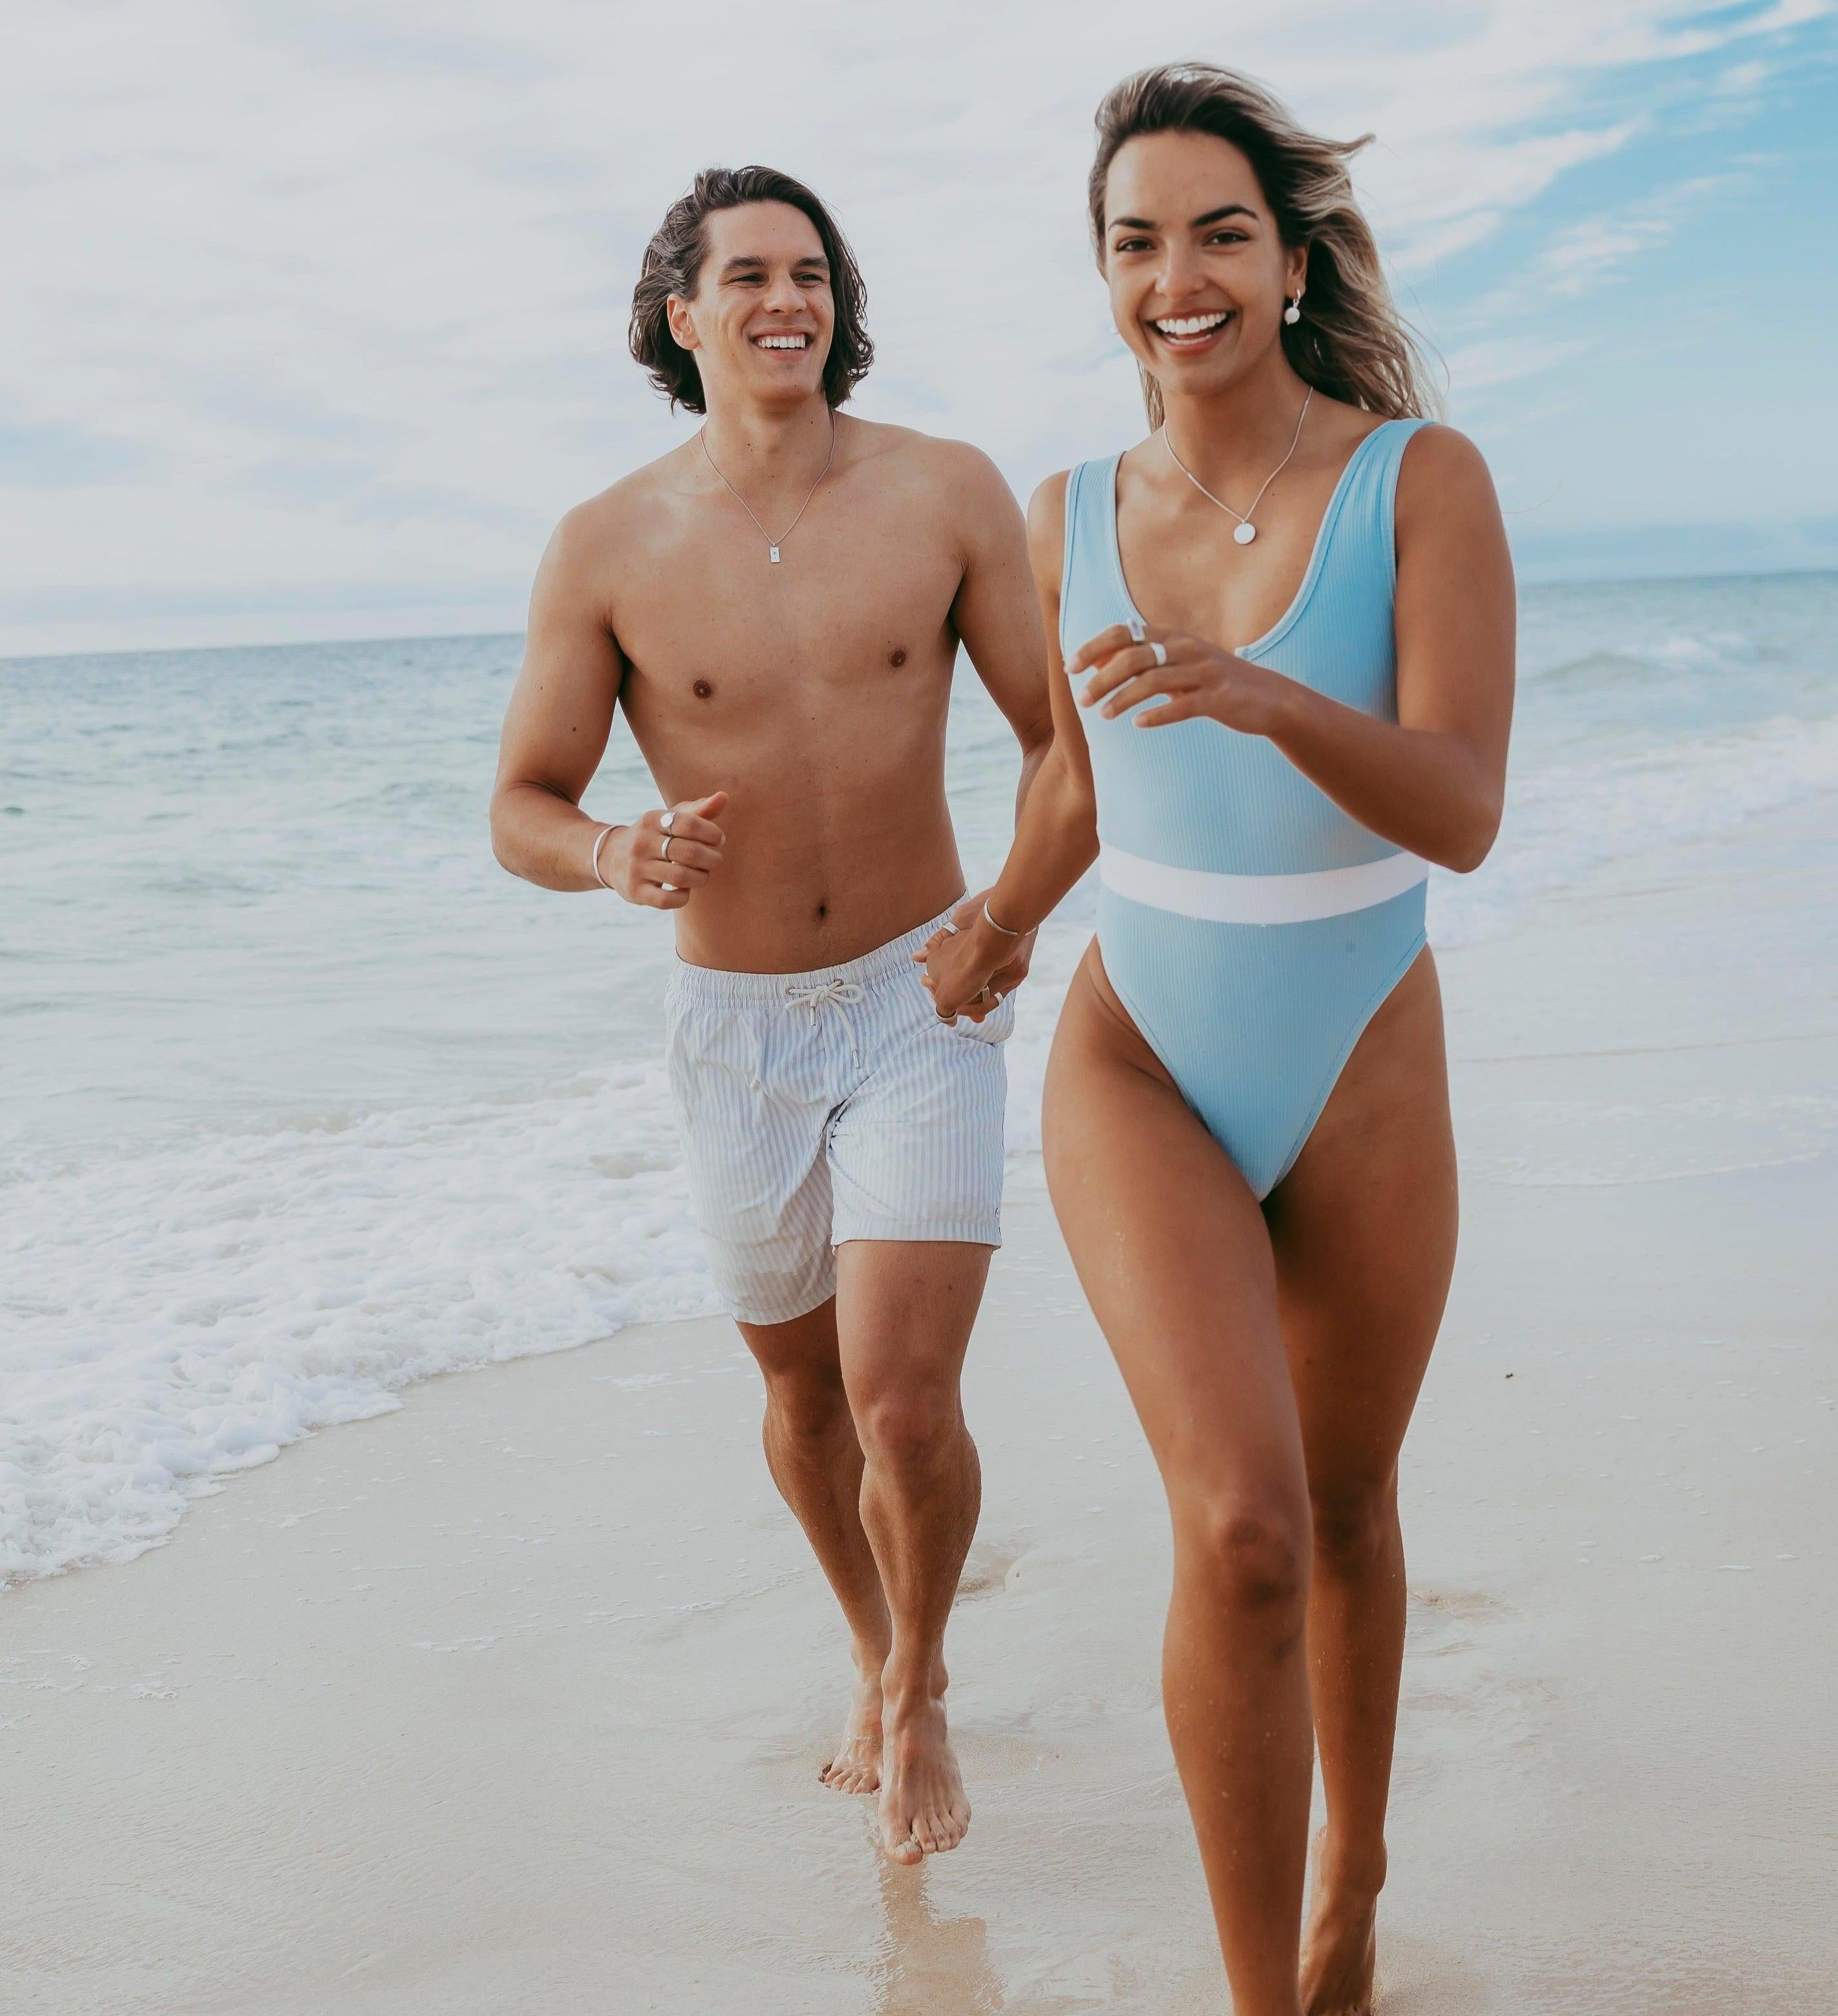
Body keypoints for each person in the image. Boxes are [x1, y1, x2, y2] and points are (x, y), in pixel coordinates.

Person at [918, 65, 1514, 2014]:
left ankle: (1354, 1886)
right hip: (1144, 1056)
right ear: (1105, 275)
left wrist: (1265, 696)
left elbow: (1461, 808)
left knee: (1345, 1506)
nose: (1178, 277)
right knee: (1243, 1526)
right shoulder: (1068, 513)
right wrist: (1000, 925)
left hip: (1361, 1046)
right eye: (1137, 242)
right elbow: (1078, 785)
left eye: (1220, 234)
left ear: (1290, 258)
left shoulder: (1420, 480)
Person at [491, 165, 1051, 1866]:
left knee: (903, 1402)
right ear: (683, 315)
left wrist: (1009, 918)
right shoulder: (606, 544)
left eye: (810, 272)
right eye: (747, 275)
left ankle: (926, 1687)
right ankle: (872, 1651)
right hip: (734, 1030)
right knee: (805, 1402)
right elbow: (521, 804)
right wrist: (613, 849)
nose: (786, 298)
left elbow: (1059, 744)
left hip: (920, 998)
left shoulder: (945, 491)